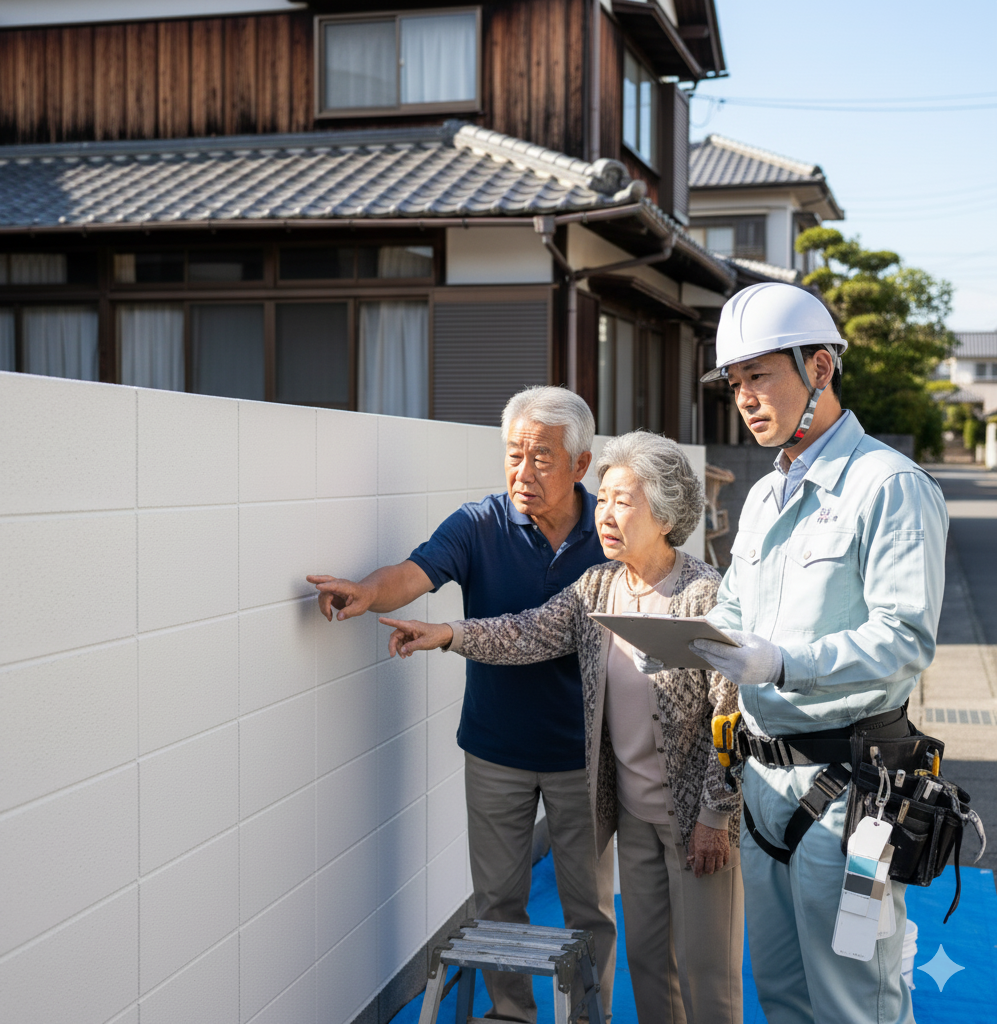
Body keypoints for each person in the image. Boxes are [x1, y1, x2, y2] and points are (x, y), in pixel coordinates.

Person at [382, 431, 744, 1024]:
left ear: (666, 510)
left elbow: (730, 718)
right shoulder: (599, 585)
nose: (603, 513)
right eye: (601, 499)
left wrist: (715, 816)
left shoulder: (706, 595)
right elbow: (528, 633)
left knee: (709, 979)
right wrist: (449, 634)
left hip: (695, 821)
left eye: (622, 501)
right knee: (650, 967)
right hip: (632, 817)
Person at [306, 386, 616, 1022]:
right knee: (498, 901)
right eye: (513, 455)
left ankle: (589, 1015)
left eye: (542, 458)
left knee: (588, 908)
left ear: (581, 464)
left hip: (585, 754)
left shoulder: (608, 532)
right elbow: (416, 572)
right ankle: (512, 1015)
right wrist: (366, 592)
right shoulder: (479, 524)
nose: (522, 473)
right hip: (496, 746)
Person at [689, 282, 948, 1024]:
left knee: (855, 1003)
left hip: (856, 803)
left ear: (821, 368)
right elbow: (735, 607)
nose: (745, 397)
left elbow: (904, 639)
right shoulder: (768, 494)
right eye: (735, 382)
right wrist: (691, 642)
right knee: (783, 995)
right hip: (765, 790)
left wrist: (782, 663)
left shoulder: (888, 485)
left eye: (761, 375)